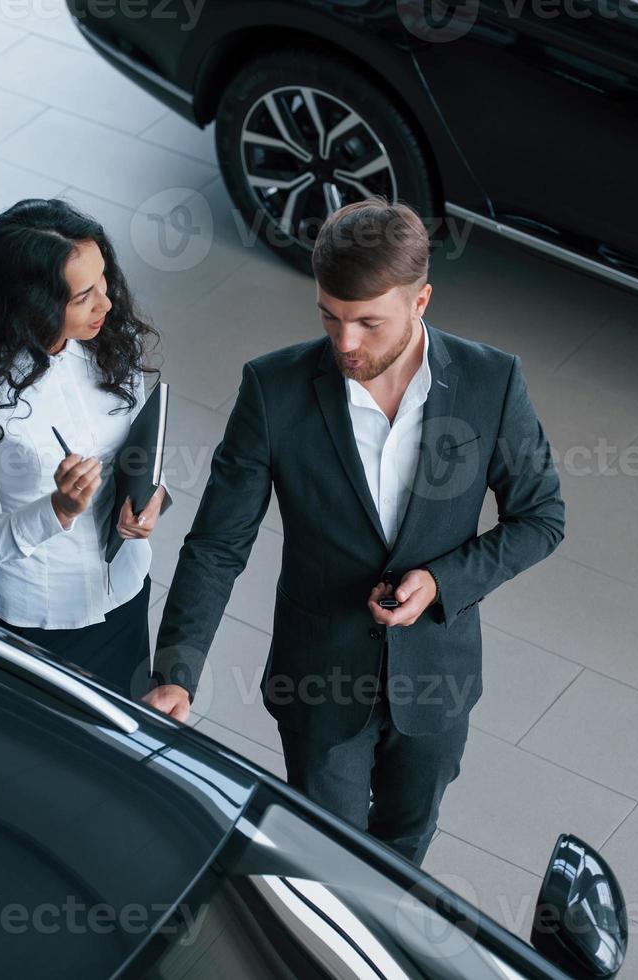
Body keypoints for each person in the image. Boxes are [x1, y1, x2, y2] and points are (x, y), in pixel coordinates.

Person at [143, 197, 565, 865]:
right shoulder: (273, 389)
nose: (345, 343)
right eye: (330, 318)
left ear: (421, 300)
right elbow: (218, 544)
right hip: (318, 684)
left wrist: (441, 581)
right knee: (325, 859)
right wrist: (176, 672)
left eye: (369, 323)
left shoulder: (493, 382)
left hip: (435, 683)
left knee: (404, 851)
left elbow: (542, 517)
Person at [0, 198, 172, 698]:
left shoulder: (115, 346)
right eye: (84, 296)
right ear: (33, 302)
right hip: (40, 619)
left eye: (104, 282)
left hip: (125, 587)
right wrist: (56, 509)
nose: (107, 305)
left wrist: (151, 502)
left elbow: (139, 457)